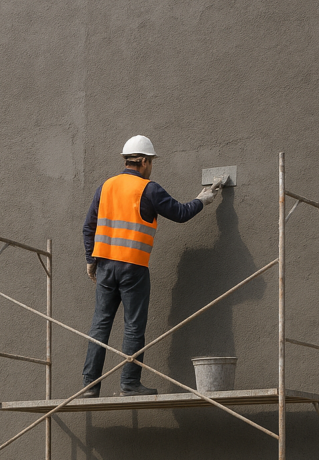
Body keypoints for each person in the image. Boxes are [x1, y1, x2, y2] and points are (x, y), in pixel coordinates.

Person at [81, 135, 221, 397]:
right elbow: (179, 213)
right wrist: (202, 200)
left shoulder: (105, 187)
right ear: (144, 161)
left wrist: (91, 260)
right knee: (133, 325)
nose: (151, 167)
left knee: (100, 325)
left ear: (127, 160)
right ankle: (130, 383)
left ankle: (90, 386)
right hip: (132, 267)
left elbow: (88, 226)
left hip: (105, 267)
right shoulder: (148, 189)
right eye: (151, 162)